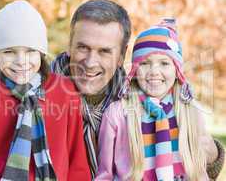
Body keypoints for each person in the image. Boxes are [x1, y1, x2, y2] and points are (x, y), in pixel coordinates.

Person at [0, 0, 224, 180]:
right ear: (69, 43)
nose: (90, 61)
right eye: (82, 47)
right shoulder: (32, 88)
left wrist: (212, 156)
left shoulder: (140, 97)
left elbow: (181, 151)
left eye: (104, 51)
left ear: (122, 53)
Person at [0, 0, 91, 181]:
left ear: (41, 54)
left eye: (30, 51)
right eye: (9, 51)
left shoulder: (65, 92)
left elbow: (77, 160)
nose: (21, 61)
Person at [95, 19, 224, 180]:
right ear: (134, 69)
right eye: (145, 63)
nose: (154, 71)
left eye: (164, 63)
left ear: (177, 70)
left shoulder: (190, 110)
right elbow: (104, 174)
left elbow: (202, 168)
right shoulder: (117, 114)